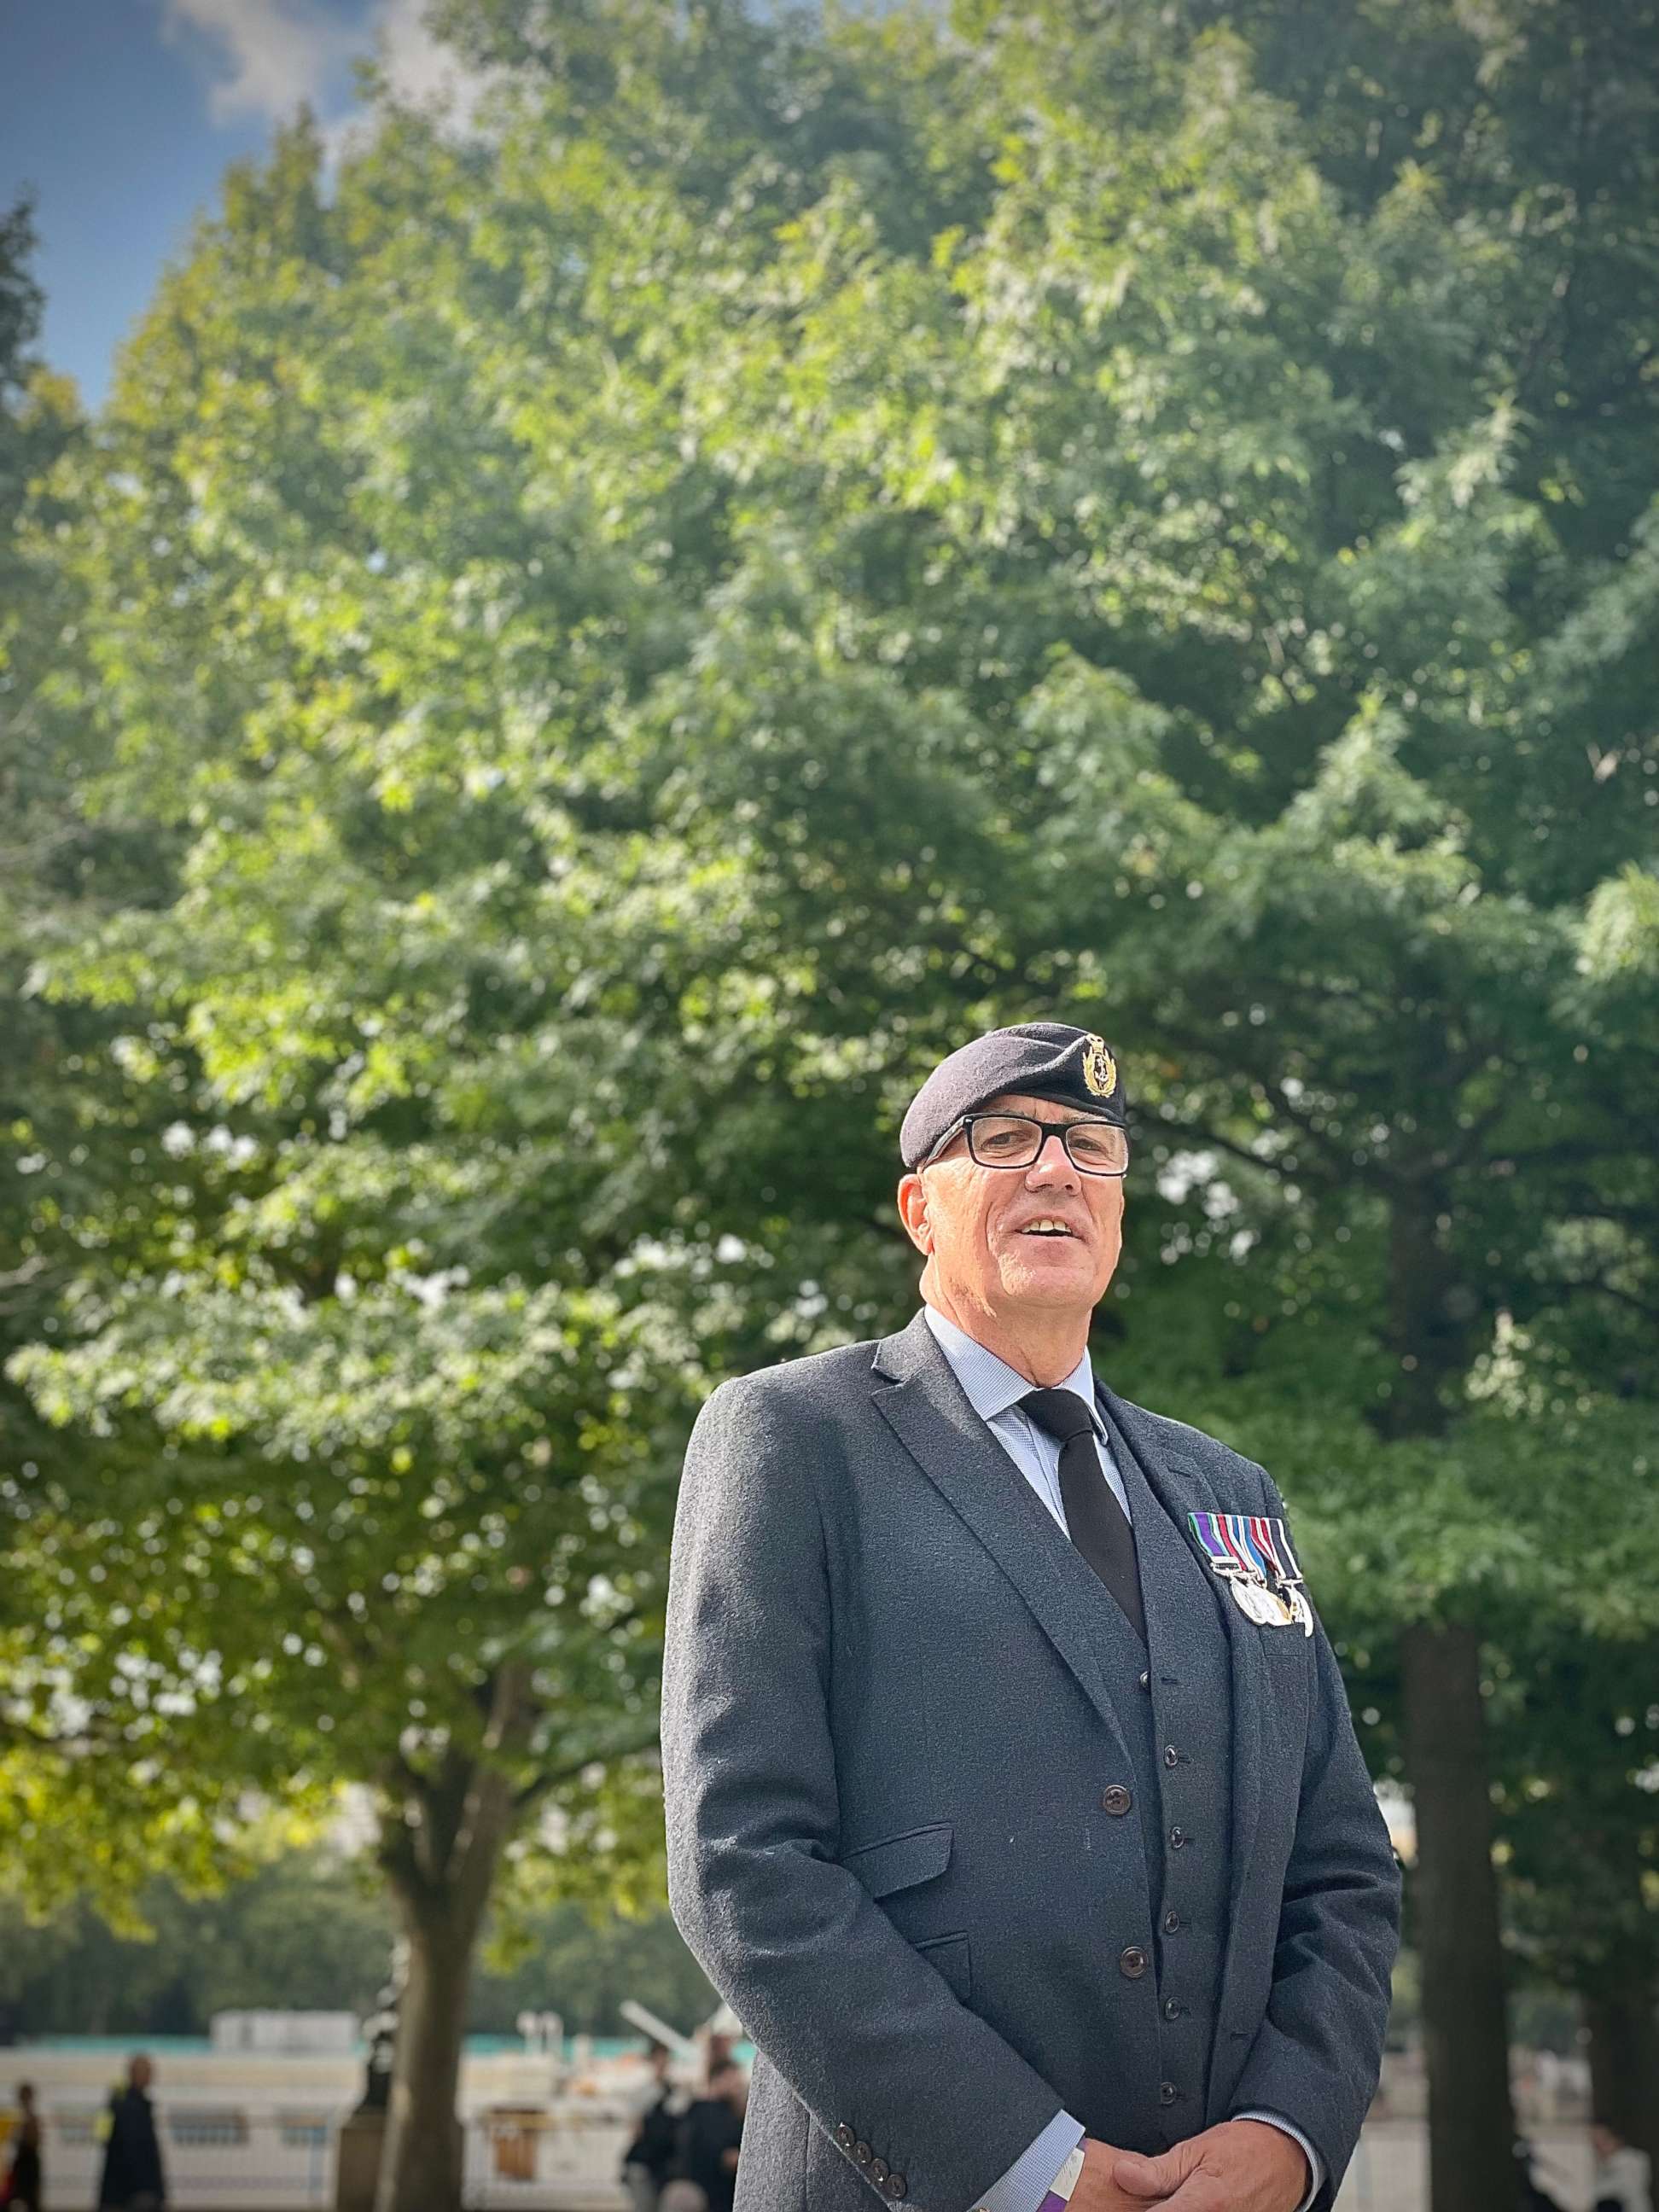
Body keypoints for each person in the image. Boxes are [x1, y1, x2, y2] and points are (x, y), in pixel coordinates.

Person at [661, 1022, 1401, 2212]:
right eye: (1003, 1140)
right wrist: (1027, 2169)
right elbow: (742, 1862)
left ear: (1117, 1210)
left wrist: (1288, 2132)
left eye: (1092, 1148)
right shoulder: (793, 1440)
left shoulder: (1231, 1495)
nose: (1055, 1169)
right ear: (920, 1207)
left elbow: (1344, 1868)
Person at [666, 2062, 747, 2212]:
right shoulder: (707, 2111)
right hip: (702, 2193)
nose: (737, 2083)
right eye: (731, 2078)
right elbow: (727, 2157)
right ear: (716, 2080)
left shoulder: (722, 2111)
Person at [96, 2058, 165, 2212]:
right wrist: (152, 2189)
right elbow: (138, 2153)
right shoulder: (134, 2107)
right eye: (148, 2072)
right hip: (136, 2192)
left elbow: (102, 2137)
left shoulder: (117, 2103)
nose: (151, 2077)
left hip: (116, 2190)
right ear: (135, 2074)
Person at [621, 2044, 684, 2211]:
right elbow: (635, 2130)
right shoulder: (642, 2094)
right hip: (643, 2165)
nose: (663, 2064)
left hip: (664, 2166)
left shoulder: (675, 2093)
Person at [1592, 2121, 1654, 2212]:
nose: (1598, 2146)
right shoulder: (1603, 2163)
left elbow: (1621, 2188)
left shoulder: (1632, 2160)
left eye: (1603, 2140)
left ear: (1615, 2139)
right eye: (1595, 2142)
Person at [3, 2084, 41, 2212]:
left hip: (28, 2158)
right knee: (12, 2195)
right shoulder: (20, 2116)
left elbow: (34, 2140)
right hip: (22, 2158)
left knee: (29, 2197)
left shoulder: (30, 2117)